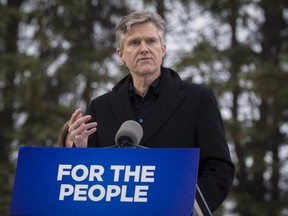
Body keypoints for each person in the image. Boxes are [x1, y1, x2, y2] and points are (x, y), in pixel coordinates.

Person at [68, 11, 234, 212]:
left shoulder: (199, 99)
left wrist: (191, 208)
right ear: (121, 54)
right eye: (135, 42)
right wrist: (81, 150)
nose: (144, 49)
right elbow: (92, 176)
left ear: (162, 49)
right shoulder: (100, 107)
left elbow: (219, 167)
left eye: (151, 41)